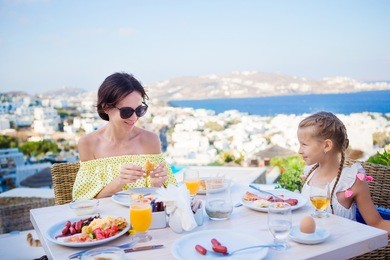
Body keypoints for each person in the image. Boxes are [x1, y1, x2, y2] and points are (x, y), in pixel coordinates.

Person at [72, 72, 177, 200]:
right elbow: (84, 202)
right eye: (126, 111)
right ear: (105, 107)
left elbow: (170, 195)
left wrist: (156, 184)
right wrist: (119, 182)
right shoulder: (88, 144)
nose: (134, 118)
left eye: (139, 110)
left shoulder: (151, 140)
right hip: (109, 219)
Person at [298, 111, 390, 235]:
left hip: (341, 250)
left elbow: (377, 223)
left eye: (304, 144)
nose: (299, 150)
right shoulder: (310, 172)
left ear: (326, 145)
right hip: (308, 243)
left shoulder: (351, 181)